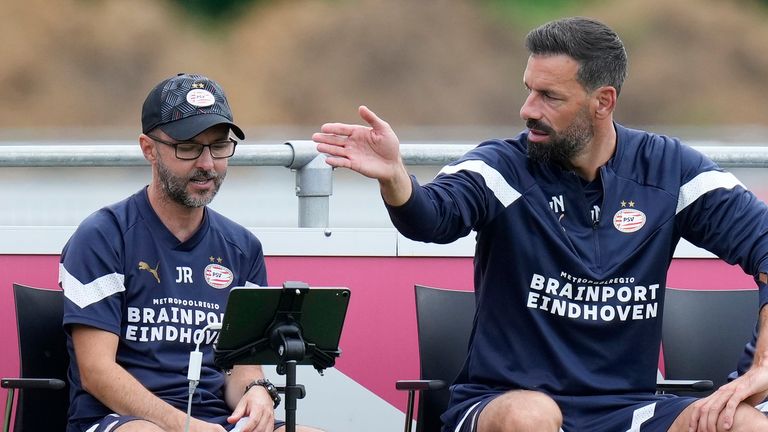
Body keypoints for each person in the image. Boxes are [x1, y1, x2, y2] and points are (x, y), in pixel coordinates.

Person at [313, 17, 768, 432]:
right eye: (528, 89)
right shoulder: (502, 166)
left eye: (549, 96)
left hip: (628, 409)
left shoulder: (668, 170)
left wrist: (761, 365)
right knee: (532, 417)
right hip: (498, 404)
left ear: (603, 102)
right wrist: (396, 179)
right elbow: (432, 218)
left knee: (746, 424)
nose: (528, 109)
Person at [60, 73, 322, 432]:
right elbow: (96, 372)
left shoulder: (242, 247)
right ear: (148, 148)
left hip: (217, 424)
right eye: (188, 147)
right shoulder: (103, 235)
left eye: (218, 146)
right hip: (123, 422)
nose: (207, 163)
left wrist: (256, 392)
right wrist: (183, 426)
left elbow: (241, 366)